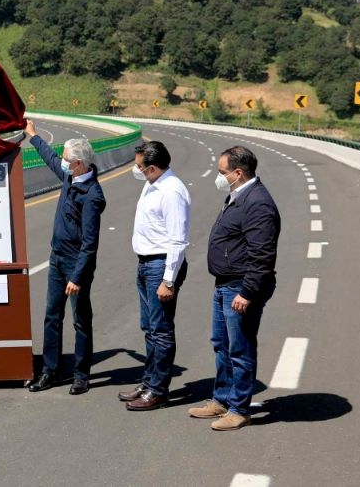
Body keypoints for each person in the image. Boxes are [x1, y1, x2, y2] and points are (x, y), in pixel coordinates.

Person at [189, 146, 280, 431]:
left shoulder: (258, 203)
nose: (219, 177)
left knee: (239, 348)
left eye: (222, 172)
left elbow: (262, 255)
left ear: (238, 173)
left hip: (240, 287)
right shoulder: (239, 195)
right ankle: (222, 399)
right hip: (226, 283)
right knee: (221, 345)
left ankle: (239, 409)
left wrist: (248, 292)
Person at [24, 120, 106, 395]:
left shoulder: (91, 196)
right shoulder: (70, 177)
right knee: (51, 315)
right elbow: (50, 159)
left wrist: (78, 276)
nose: (63, 163)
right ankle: (50, 371)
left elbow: (90, 243)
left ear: (79, 164)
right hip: (57, 259)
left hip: (75, 265)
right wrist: (33, 136)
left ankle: (81, 375)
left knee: (80, 319)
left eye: (67, 160)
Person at [119, 142, 191, 411]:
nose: (135, 170)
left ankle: (159, 391)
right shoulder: (152, 183)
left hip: (161, 267)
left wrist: (168, 280)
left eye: (139, 166)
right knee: (149, 328)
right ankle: (149, 382)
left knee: (160, 330)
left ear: (151, 167)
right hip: (146, 264)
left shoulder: (172, 191)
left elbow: (177, 240)